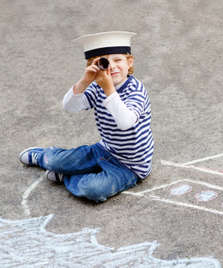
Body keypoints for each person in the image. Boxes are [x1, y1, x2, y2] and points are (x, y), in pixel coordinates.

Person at [19, 31, 154, 202]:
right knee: (54, 161)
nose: (112, 66)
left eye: (118, 60)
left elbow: (125, 122)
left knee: (92, 190)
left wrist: (108, 89)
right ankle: (45, 157)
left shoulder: (135, 90)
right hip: (104, 149)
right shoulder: (98, 87)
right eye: (104, 62)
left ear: (129, 62)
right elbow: (70, 106)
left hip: (130, 165)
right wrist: (85, 81)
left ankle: (66, 177)